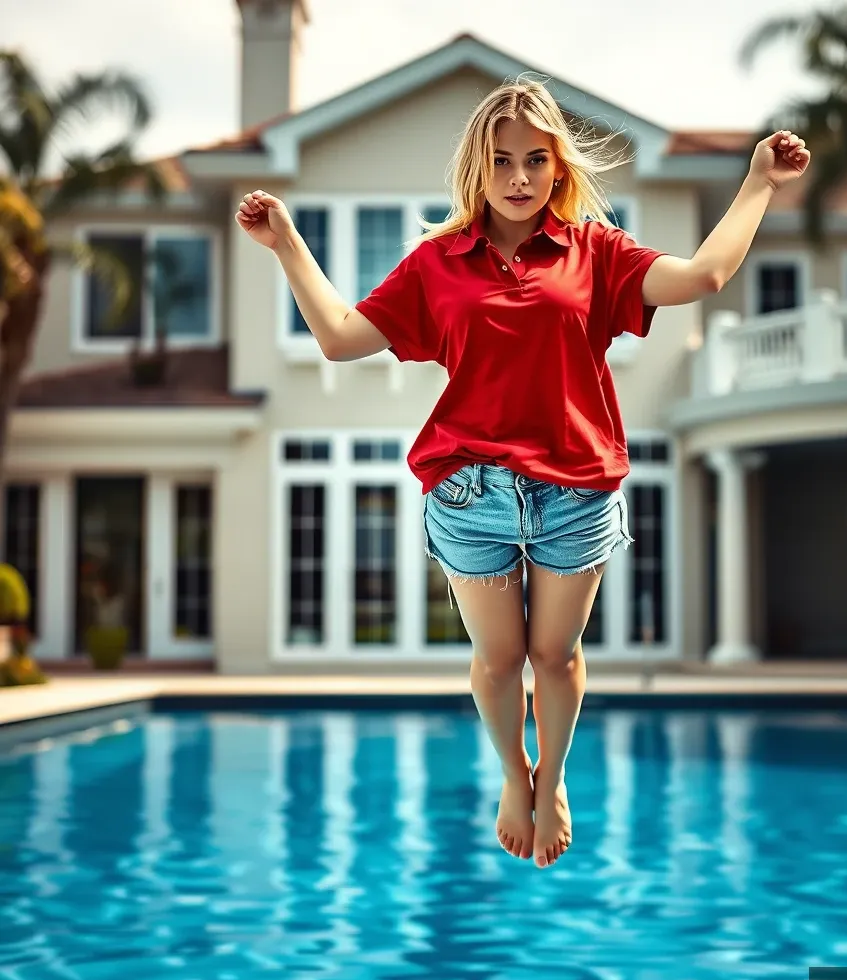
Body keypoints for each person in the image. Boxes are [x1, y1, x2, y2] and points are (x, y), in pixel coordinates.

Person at [235, 76, 810, 869]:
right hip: (470, 492)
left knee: (558, 658)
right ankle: (515, 777)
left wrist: (756, 183)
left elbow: (703, 276)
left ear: (556, 169)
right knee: (499, 660)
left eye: (535, 161)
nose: (517, 178)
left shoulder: (597, 254)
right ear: (479, 167)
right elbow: (337, 336)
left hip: (575, 489)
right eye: (502, 161)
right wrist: (288, 243)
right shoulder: (437, 265)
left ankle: (556, 776)